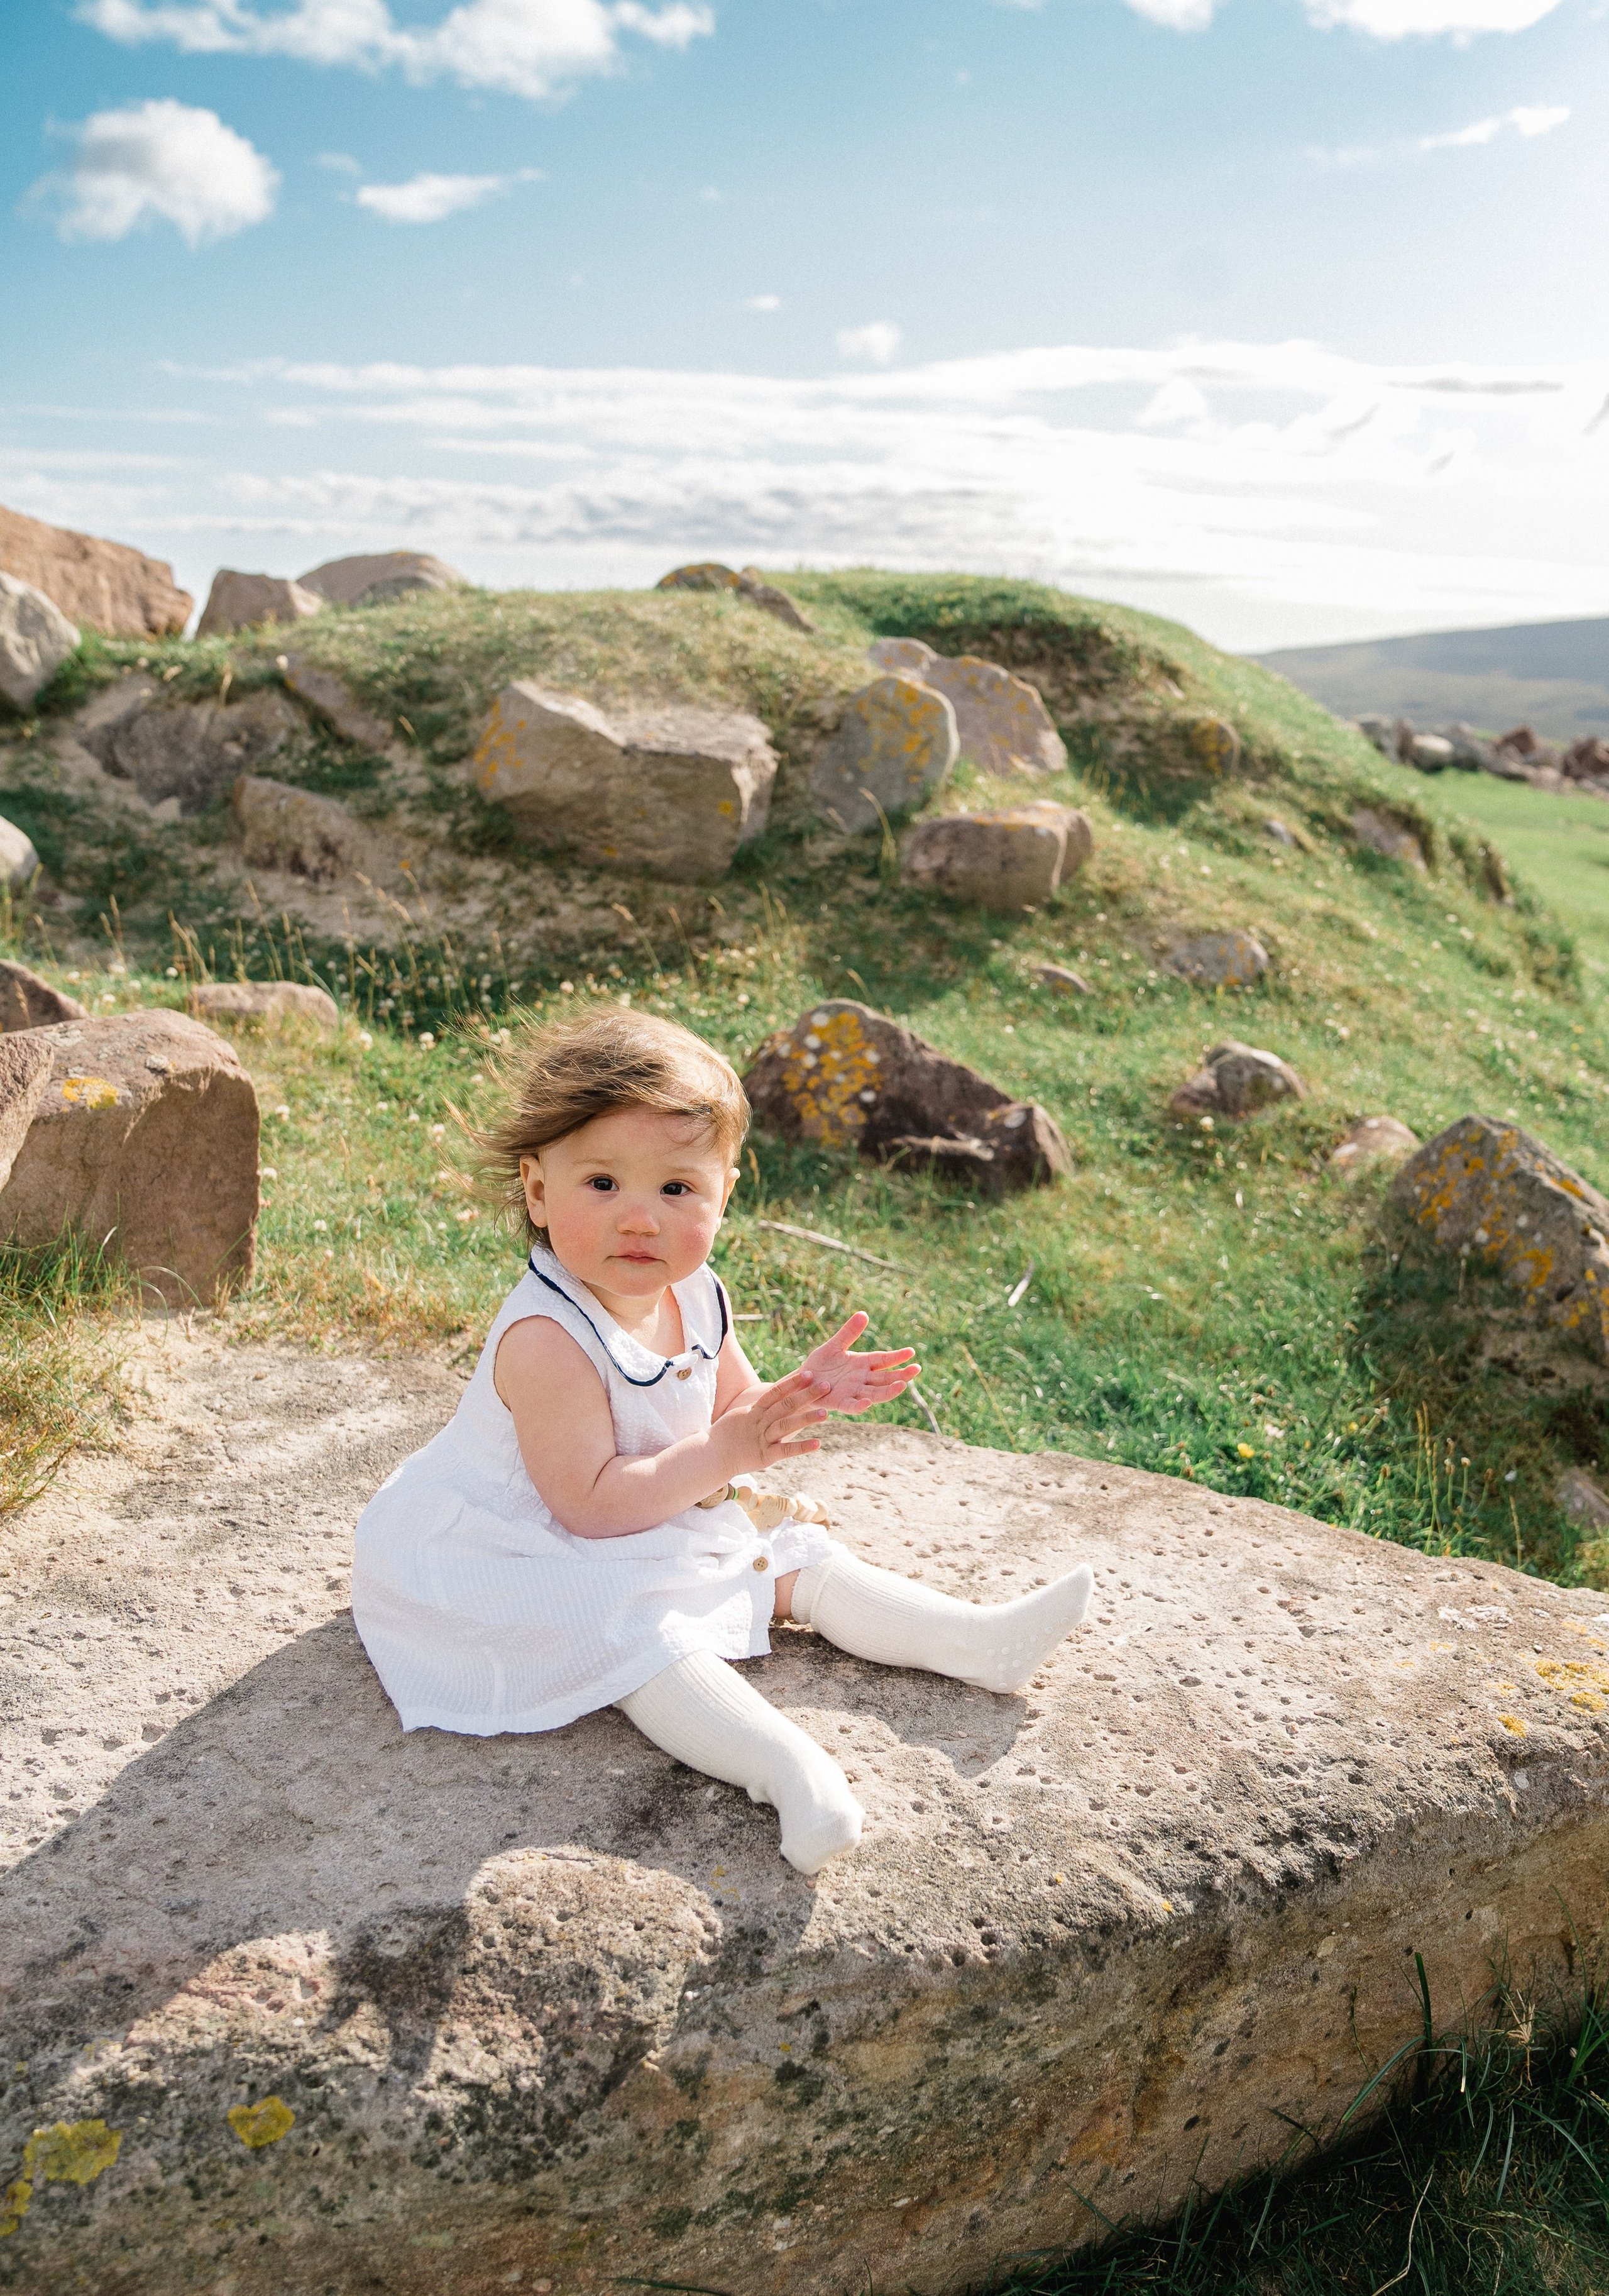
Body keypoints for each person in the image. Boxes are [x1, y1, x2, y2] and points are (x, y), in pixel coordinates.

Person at [351, 1008, 1094, 1875]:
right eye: (602, 1184)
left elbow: (729, 1401)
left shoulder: (695, 1291)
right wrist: (728, 1453)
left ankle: (971, 1640)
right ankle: (790, 1771)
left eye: (676, 1190)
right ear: (536, 1188)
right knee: (637, 1631)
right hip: (524, 1544)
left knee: (788, 1549)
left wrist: (794, 1397)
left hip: (654, 1498)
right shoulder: (546, 1340)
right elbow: (588, 1507)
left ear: (723, 1193)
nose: (640, 1219)